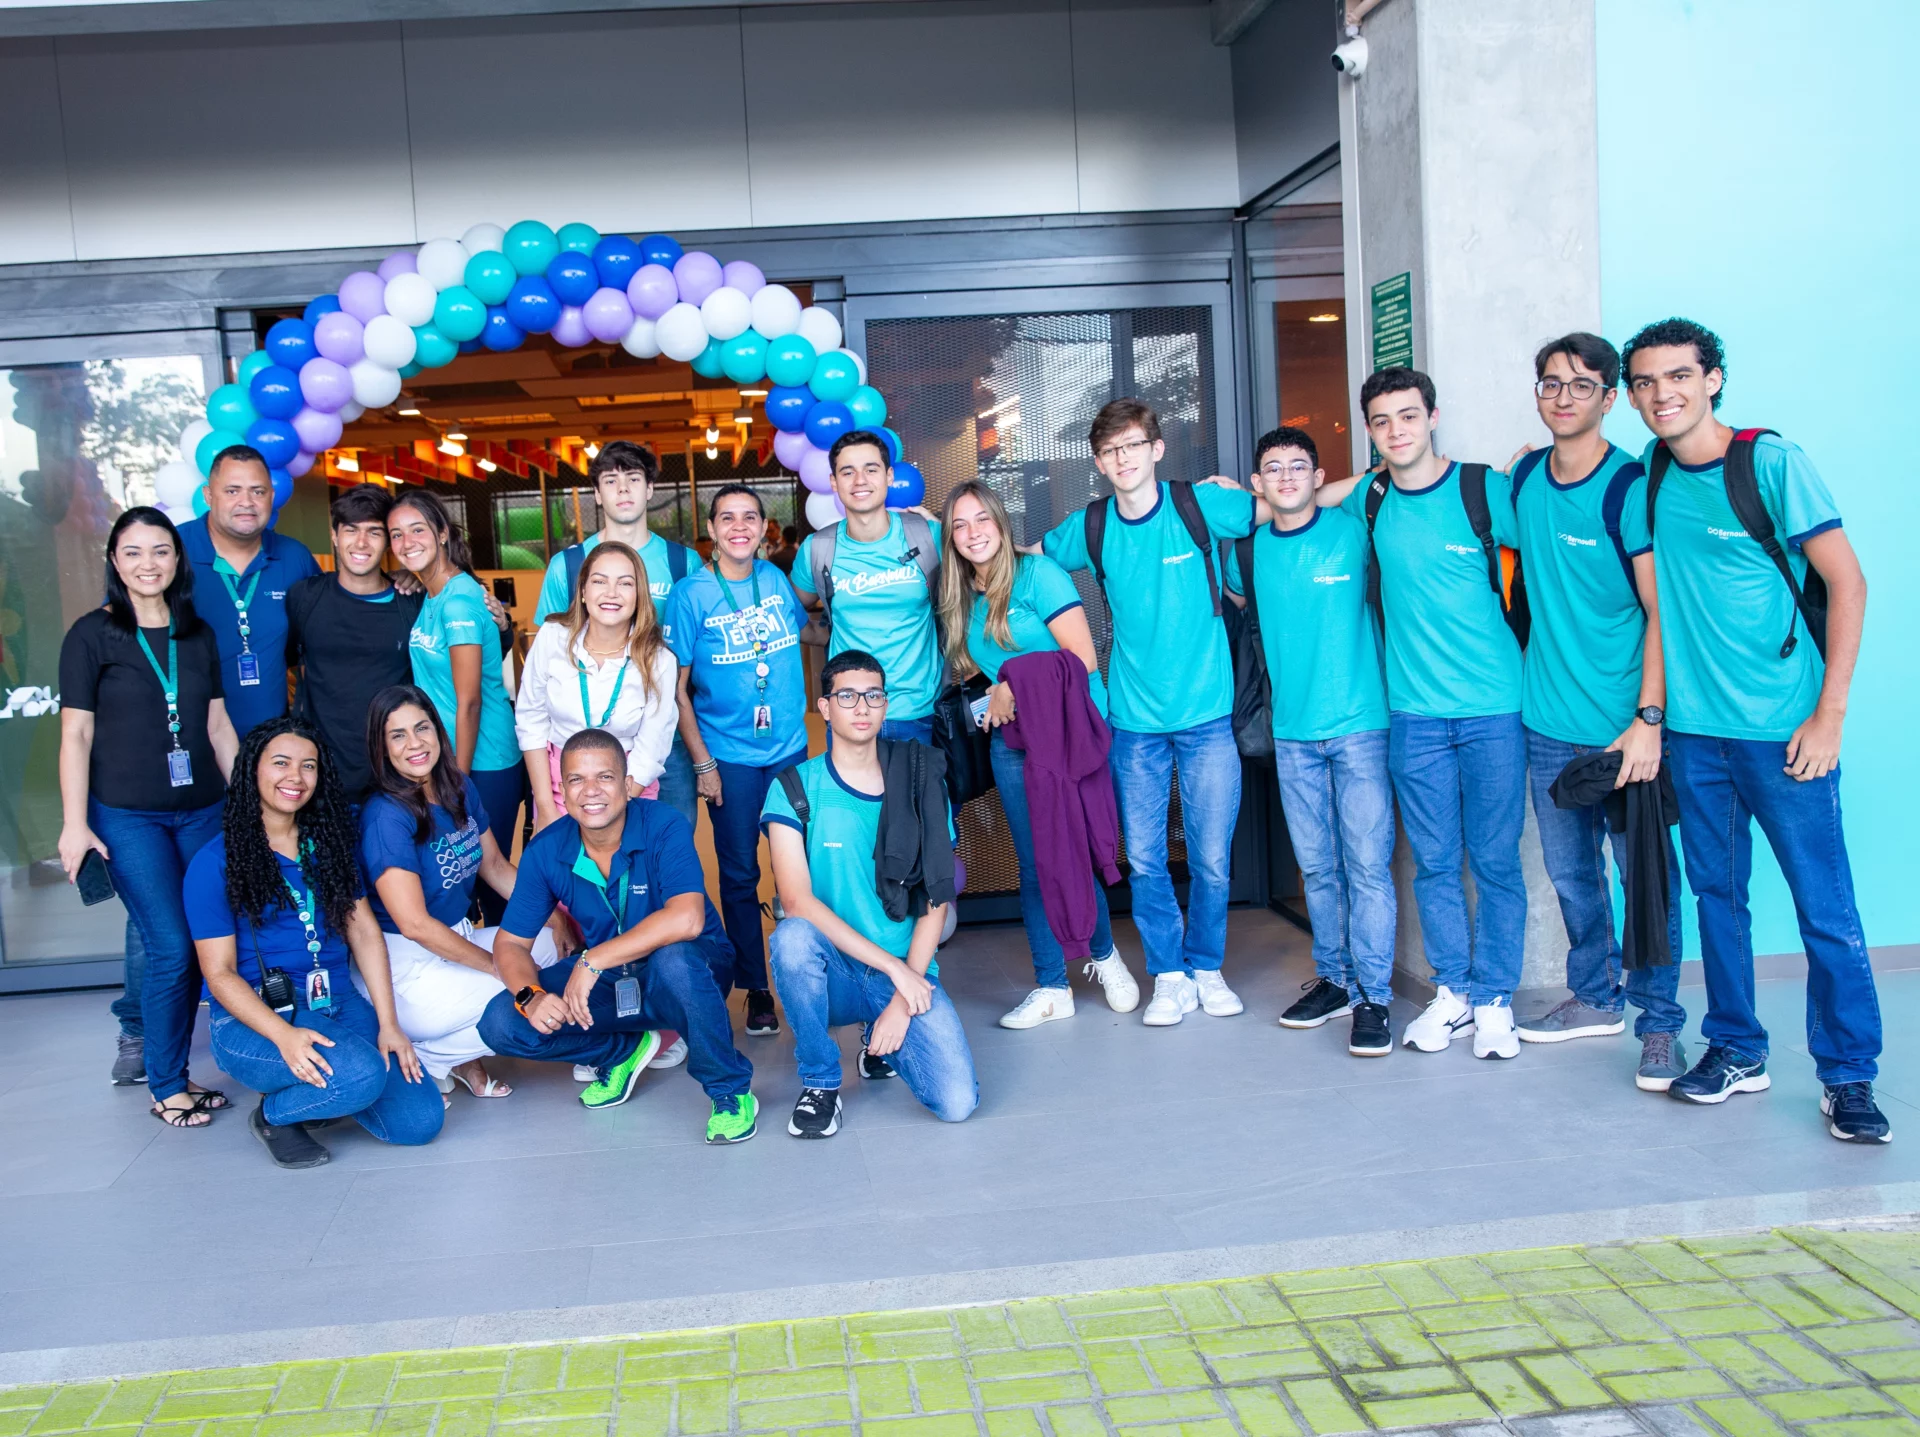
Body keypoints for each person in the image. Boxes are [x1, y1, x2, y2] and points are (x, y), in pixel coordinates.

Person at [1624, 318, 1885, 1142]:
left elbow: (1849, 584)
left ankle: (1848, 1075)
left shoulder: (1770, 463)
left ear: (1713, 379)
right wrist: (1655, 719)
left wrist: (1829, 715)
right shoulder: (1653, 469)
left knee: (1826, 910)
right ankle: (1737, 1047)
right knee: (1718, 899)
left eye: (1678, 376)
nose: (1662, 393)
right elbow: (1663, 608)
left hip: (1785, 734)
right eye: (1644, 382)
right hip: (1696, 737)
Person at [1502, 335, 1689, 1088]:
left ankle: (1661, 1025)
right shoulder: (1524, 480)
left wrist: (1649, 721)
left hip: (1623, 730)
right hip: (1547, 722)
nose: (1564, 397)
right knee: (1573, 876)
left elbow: (1661, 611)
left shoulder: (1629, 487)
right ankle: (1595, 996)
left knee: (1645, 881)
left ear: (1610, 398)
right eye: (1551, 383)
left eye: (1582, 385)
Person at [1333, 368, 1528, 1060]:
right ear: (1369, 431)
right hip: (1414, 716)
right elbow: (1308, 497)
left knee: (1496, 862)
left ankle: (1495, 999)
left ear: (1433, 417)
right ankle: (1454, 993)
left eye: (1409, 416)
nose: (1397, 430)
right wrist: (1253, 491)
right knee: (1435, 863)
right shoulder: (1372, 497)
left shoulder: (1484, 490)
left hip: (1494, 710)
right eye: (1382, 421)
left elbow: (1552, 537)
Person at [1039, 399, 1254, 1027]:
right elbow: (1019, 555)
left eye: (1132, 445)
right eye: (1110, 451)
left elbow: (1287, 504)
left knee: (1211, 858)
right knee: (1145, 860)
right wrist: (947, 532)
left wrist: (1375, 477)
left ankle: (1206, 966)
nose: (1122, 458)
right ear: (1098, 462)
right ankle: (1169, 975)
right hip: (1134, 724)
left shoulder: (1199, 504)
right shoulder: (1091, 526)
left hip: (1207, 716)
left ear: (1156, 449)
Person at [475, 729, 759, 1141]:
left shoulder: (663, 824)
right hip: (615, 979)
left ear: (627, 785)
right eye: (576, 779)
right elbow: (511, 943)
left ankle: (729, 1090)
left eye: (605, 777)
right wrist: (530, 996)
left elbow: (687, 920)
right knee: (501, 1021)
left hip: (694, 972)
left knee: (674, 959)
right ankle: (622, 1051)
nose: (591, 791)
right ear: (563, 790)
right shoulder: (546, 850)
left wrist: (593, 960)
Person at [187, 716, 441, 1167]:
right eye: (281, 763)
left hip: (339, 1002)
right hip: (259, 1017)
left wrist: (389, 1024)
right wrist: (283, 1035)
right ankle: (273, 1116)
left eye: (309, 766)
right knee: (360, 1076)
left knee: (419, 1122)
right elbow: (219, 974)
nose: (296, 777)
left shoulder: (327, 846)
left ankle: (332, 1087)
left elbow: (364, 932)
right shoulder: (214, 863)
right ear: (252, 769)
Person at [937, 480, 1138, 1028]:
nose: (973, 533)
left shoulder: (1038, 575)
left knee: (1071, 851)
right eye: (959, 525)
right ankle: (1052, 985)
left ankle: (1105, 958)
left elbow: (1083, 658)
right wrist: (995, 694)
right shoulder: (962, 596)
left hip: (1071, 733)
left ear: (1001, 523)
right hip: (1014, 740)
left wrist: (1012, 684)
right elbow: (982, 666)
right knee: (1035, 862)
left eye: (982, 519)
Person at [58, 506, 239, 1116]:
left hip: (202, 811)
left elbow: (217, 726)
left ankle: (175, 1074)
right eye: (133, 552)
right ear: (114, 561)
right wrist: (75, 823)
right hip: (128, 817)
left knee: (206, 937)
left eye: (160, 550)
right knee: (169, 944)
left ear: (177, 559)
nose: (148, 564)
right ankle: (167, 1086)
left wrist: (247, 806)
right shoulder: (91, 635)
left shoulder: (197, 633)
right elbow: (76, 735)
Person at [1223, 428, 1395, 1057]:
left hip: (1361, 726)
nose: (1288, 477)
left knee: (1367, 866)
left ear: (1320, 477)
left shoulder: (1355, 530)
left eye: (1300, 466)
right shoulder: (1244, 555)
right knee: (1319, 867)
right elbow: (1240, 603)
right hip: (1292, 733)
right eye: (1274, 468)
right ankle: (1337, 980)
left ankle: (1374, 997)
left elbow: (1387, 475)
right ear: (1257, 484)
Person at [763, 651, 978, 1137]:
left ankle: (878, 1036)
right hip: (835, 972)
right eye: (847, 696)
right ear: (824, 707)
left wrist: (902, 996)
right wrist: (894, 971)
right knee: (792, 939)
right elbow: (796, 902)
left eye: (873, 695)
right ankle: (820, 1081)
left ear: (886, 706)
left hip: (904, 971)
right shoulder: (795, 788)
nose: (862, 706)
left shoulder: (921, 780)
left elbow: (936, 897)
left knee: (957, 1102)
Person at [362, 684, 568, 1098]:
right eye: (398, 735)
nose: (415, 743)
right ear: (382, 749)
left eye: (422, 728)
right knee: (519, 987)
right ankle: (432, 1056)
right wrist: (497, 966)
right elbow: (415, 925)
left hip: (460, 938)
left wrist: (555, 918)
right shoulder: (386, 817)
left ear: (438, 731)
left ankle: (455, 1055)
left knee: (550, 949)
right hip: (408, 967)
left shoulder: (457, 786)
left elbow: (494, 867)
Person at [665, 485, 810, 1036]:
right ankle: (757, 988)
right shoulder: (690, 594)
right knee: (741, 874)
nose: (739, 527)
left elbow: (802, 635)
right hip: (729, 757)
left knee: (801, 866)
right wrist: (703, 763)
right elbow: (676, 691)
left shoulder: (775, 579)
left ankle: (811, 974)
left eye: (750, 517)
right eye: (727, 518)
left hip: (789, 750)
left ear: (764, 527)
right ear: (711, 528)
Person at [533, 440, 699, 828]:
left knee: (665, 849)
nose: (623, 489)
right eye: (610, 480)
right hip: (581, 747)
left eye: (634, 479)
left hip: (666, 741)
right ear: (596, 493)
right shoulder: (568, 565)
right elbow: (543, 665)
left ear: (650, 488)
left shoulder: (682, 562)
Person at [390, 489, 525, 920]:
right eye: (396, 534)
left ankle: (526, 959)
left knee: (489, 880)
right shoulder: (433, 594)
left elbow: (469, 701)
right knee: (466, 878)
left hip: (483, 761)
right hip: (450, 759)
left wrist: (457, 781)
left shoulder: (460, 600)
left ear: (443, 533)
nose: (406, 541)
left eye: (417, 530)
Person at [791, 432, 944, 743]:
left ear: (889, 476)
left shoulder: (928, 537)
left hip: (919, 713)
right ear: (834, 482)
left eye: (871, 469)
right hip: (849, 712)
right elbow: (787, 610)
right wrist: (823, 635)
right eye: (847, 472)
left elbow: (994, 568)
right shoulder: (818, 548)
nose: (860, 480)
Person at [515, 540, 679, 830]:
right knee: (560, 859)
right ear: (582, 591)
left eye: (625, 583)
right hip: (557, 784)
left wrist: (610, 814)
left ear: (639, 595)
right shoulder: (552, 637)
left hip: (628, 788)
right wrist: (545, 806)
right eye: (599, 581)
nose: (611, 593)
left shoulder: (659, 660)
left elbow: (652, 748)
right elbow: (531, 721)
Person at [287, 484, 424, 803]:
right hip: (325, 783)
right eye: (351, 530)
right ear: (334, 536)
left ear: (388, 542)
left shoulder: (411, 603)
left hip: (398, 783)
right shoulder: (305, 597)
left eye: (374, 532)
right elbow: (284, 662)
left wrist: (500, 624)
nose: (361, 543)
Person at [175, 445, 320, 739]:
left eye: (258, 491)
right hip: (190, 742)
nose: (246, 502)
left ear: (271, 496)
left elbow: (338, 617)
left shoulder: (294, 557)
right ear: (208, 496)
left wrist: (398, 579)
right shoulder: (172, 551)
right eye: (232, 491)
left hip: (271, 745)